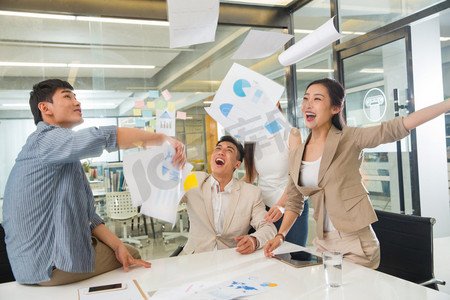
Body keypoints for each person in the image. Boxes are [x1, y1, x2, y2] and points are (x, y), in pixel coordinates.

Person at [2, 79, 186, 285]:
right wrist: (159, 138)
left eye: (76, 97)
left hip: (35, 266)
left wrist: (117, 246)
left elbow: (88, 216)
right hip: (49, 264)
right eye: (67, 96)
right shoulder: (45, 139)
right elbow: (102, 137)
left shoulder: (60, 155)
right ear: (45, 108)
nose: (76, 102)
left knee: (124, 251)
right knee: (133, 256)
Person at [264, 78, 450, 269]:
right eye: (306, 98)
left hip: (355, 244)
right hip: (322, 243)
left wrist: (447, 104)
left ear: (335, 108)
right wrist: (280, 236)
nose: (308, 104)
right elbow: (295, 201)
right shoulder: (297, 152)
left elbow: (397, 127)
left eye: (317, 99)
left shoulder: (349, 137)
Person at [180, 135, 276, 255]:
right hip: (196, 259)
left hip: (232, 258)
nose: (221, 152)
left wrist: (254, 240)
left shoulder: (251, 193)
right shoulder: (193, 180)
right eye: (218, 148)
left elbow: (268, 227)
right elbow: (166, 200)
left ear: (237, 164)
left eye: (229, 150)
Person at [243, 104, 309, 251]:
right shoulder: (253, 139)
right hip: (264, 209)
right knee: (265, 257)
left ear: (277, 103)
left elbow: (296, 176)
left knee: (294, 257)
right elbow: (250, 176)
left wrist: (281, 205)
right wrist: (223, 185)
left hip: (291, 207)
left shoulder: (292, 134)